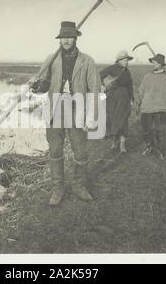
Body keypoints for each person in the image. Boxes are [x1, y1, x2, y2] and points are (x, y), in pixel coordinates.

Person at [28, 21, 102, 206]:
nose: (66, 40)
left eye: (70, 37)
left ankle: (79, 186)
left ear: (76, 38)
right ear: (59, 39)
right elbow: (44, 85)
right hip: (55, 109)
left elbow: (94, 90)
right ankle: (57, 189)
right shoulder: (51, 59)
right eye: (63, 37)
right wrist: (36, 85)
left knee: (81, 152)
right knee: (55, 150)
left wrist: (91, 116)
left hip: (78, 108)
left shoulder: (87, 61)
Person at [135, 53, 166, 159]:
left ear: (161, 64)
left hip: (161, 107)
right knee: (146, 129)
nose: (153, 64)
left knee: (160, 131)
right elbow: (140, 91)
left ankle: (160, 150)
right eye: (153, 62)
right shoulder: (148, 76)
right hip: (147, 107)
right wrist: (137, 104)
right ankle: (150, 146)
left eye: (155, 62)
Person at [99, 50, 134, 153]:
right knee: (112, 118)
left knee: (123, 119)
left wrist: (131, 99)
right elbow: (101, 74)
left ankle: (122, 144)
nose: (126, 62)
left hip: (124, 97)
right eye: (124, 60)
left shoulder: (127, 72)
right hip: (113, 97)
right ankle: (114, 141)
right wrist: (103, 85)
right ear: (119, 60)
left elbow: (130, 86)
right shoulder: (112, 68)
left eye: (127, 60)